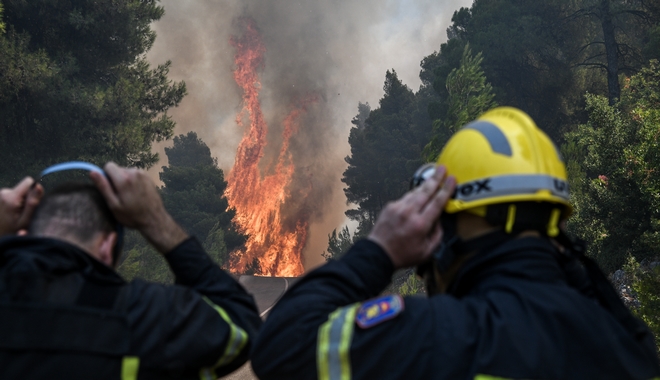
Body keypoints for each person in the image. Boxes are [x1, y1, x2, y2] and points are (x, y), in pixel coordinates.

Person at [250, 107, 660, 379]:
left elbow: (282, 347)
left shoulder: (443, 337)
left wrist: (378, 251)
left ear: (447, 225)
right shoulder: (624, 347)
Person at [0, 162, 261, 379]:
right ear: (108, 246)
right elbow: (241, 328)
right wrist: (154, 219)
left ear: (24, 234)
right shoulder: (143, 315)